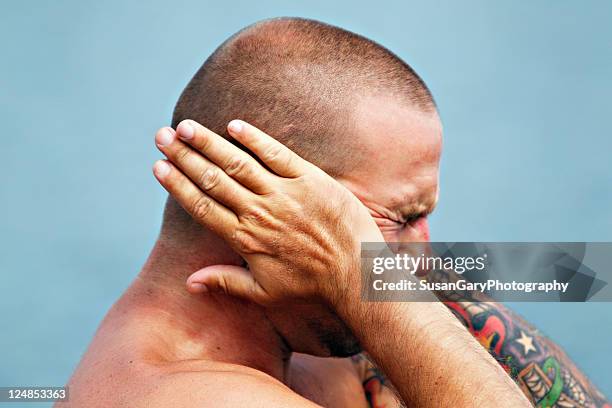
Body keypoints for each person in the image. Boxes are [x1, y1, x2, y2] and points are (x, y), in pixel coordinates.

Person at [60, 18, 607, 407]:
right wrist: (356, 270)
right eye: (399, 218)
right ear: (263, 205)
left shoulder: (316, 329)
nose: (422, 251)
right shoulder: (196, 396)